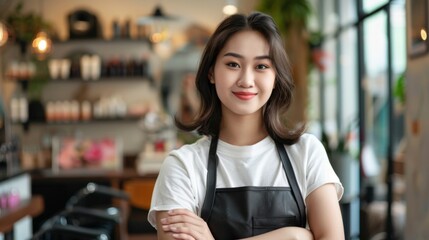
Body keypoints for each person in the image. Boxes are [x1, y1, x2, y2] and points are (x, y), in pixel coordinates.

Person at [148, 12, 344, 240]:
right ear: (211, 72)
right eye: (233, 64)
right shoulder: (183, 166)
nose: (246, 80)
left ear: (275, 77)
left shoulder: (307, 152)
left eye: (261, 66)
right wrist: (294, 236)